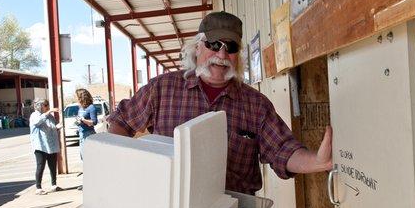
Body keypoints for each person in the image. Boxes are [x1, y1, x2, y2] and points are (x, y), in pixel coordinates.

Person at [108, 11, 332, 195]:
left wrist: (317, 161)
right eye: (214, 44)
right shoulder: (162, 89)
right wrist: (124, 170)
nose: (222, 53)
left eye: (231, 47)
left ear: (238, 55)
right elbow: (121, 121)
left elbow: (283, 150)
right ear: (197, 48)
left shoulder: (256, 105)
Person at [29, 98, 61, 195]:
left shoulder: (50, 116)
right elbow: (38, 122)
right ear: (39, 106)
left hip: (51, 145)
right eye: (45, 105)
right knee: (40, 165)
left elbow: (53, 126)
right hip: (40, 145)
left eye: (47, 105)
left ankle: (54, 185)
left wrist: (58, 127)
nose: (47, 107)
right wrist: (49, 112)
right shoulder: (34, 115)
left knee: (52, 165)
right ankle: (38, 187)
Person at [75, 88, 98, 160]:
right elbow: (81, 120)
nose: (76, 98)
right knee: (83, 157)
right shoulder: (81, 108)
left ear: (81, 97)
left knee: (89, 157)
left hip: (89, 134)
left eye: (77, 96)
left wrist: (83, 120)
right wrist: (78, 121)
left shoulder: (91, 107)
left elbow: (94, 122)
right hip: (81, 133)